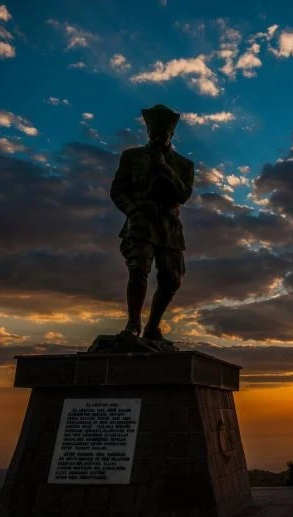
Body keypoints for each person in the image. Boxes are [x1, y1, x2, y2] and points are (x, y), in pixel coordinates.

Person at [110, 104, 194, 341]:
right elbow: (118, 190)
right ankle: (133, 324)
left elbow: (183, 194)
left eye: (162, 134)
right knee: (138, 270)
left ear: (171, 135)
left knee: (172, 279)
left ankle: (152, 327)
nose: (157, 137)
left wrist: (164, 167)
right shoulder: (131, 157)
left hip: (169, 227)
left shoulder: (184, 164)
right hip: (140, 223)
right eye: (153, 133)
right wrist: (132, 211)